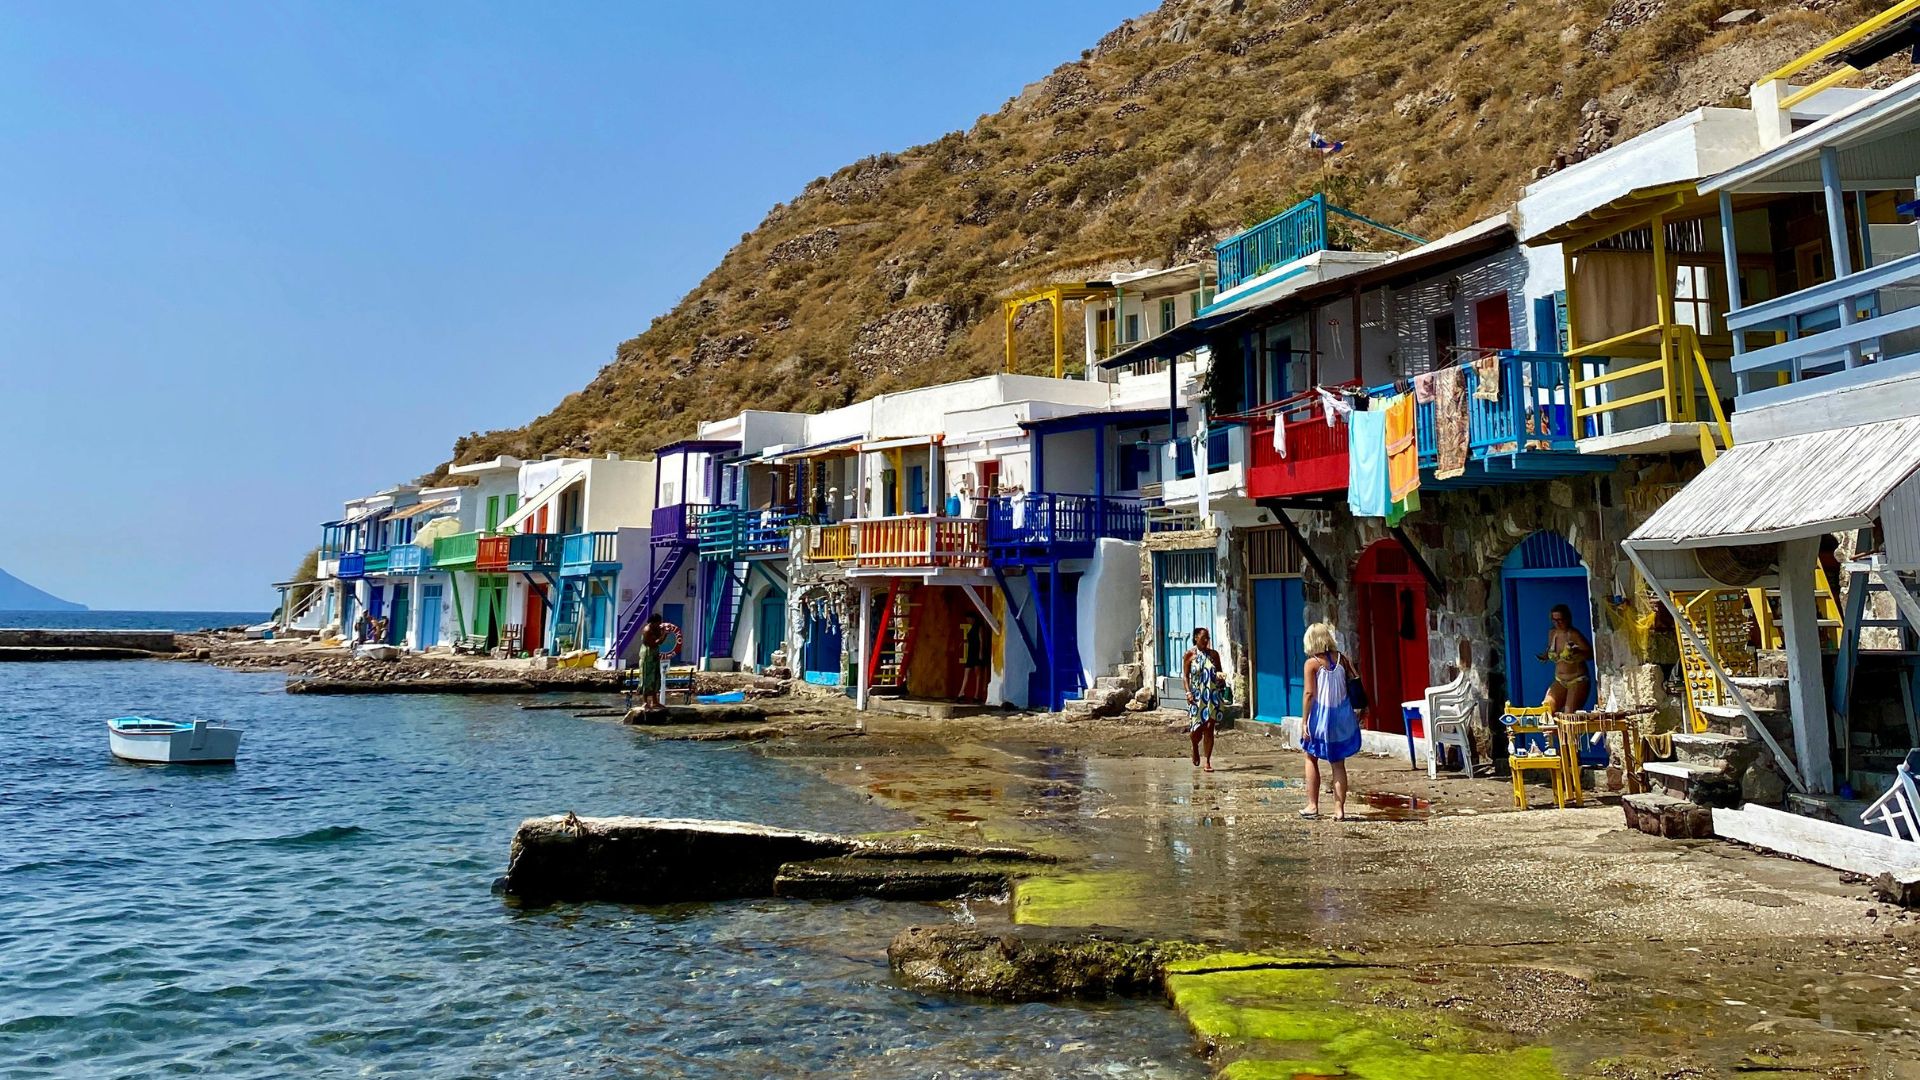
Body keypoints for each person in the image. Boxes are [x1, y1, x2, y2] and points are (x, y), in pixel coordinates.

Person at [1299, 621, 1363, 820]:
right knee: (1338, 763)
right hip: (1342, 716)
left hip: (1321, 717)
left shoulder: (1312, 664)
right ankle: (1339, 809)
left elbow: (1309, 693)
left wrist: (1304, 721)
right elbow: (1355, 681)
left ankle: (1312, 805)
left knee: (1311, 756)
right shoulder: (1343, 659)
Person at [1182, 627, 1226, 772]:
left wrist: (1221, 679)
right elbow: (1185, 676)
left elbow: (1219, 672)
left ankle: (1207, 761)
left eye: (1208, 638)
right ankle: (1195, 746)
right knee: (1196, 729)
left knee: (1209, 727)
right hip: (1196, 696)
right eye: (1203, 638)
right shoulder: (1189, 655)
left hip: (1212, 696)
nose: (1206, 641)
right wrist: (1188, 693)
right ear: (1196, 638)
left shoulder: (1214, 655)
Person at [1538, 603, 1591, 714]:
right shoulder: (1552, 633)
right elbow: (1551, 649)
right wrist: (1546, 656)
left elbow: (1590, 654)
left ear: (1567, 619)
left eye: (1560, 620)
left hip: (1577, 679)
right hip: (1560, 680)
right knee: (1547, 709)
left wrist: (1577, 653)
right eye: (1554, 620)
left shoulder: (1574, 634)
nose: (1557, 623)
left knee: (1569, 714)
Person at [638, 611, 680, 710]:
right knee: (646, 679)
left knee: (656, 678)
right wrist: (664, 634)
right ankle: (645, 702)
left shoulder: (656, 628)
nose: (659, 624)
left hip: (655, 656)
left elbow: (659, 638)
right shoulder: (647, 630)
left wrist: (662, 631)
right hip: (647, 657)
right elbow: (655, 643)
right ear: (653, 622)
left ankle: (655, 701)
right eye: (658, 622)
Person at [957, 613, 989, 702]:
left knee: (977, 673)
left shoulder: (979, 627)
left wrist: (980, 653)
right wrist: (964, 641)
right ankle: (961, 692)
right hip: (970, 652)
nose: (968, 621)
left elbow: (981, 640)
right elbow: (972, 639)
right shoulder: (972, 628)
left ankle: (976, 695)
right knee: (966, 672)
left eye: (969, 619)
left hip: (977, 652)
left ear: (973, 618)